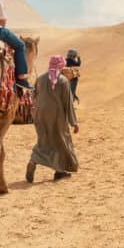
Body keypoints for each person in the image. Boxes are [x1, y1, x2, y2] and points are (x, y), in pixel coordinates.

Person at [26, 55, 79, 183]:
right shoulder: (63, 81)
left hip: (40, 115)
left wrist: (37, 112)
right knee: (61, 141)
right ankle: (60, 171)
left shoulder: (40, 79)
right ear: (60, 66)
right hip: (56, 116)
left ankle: (33, 161)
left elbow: (33, 97)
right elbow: (68, 103)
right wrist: (74, 122)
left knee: (43, 140)